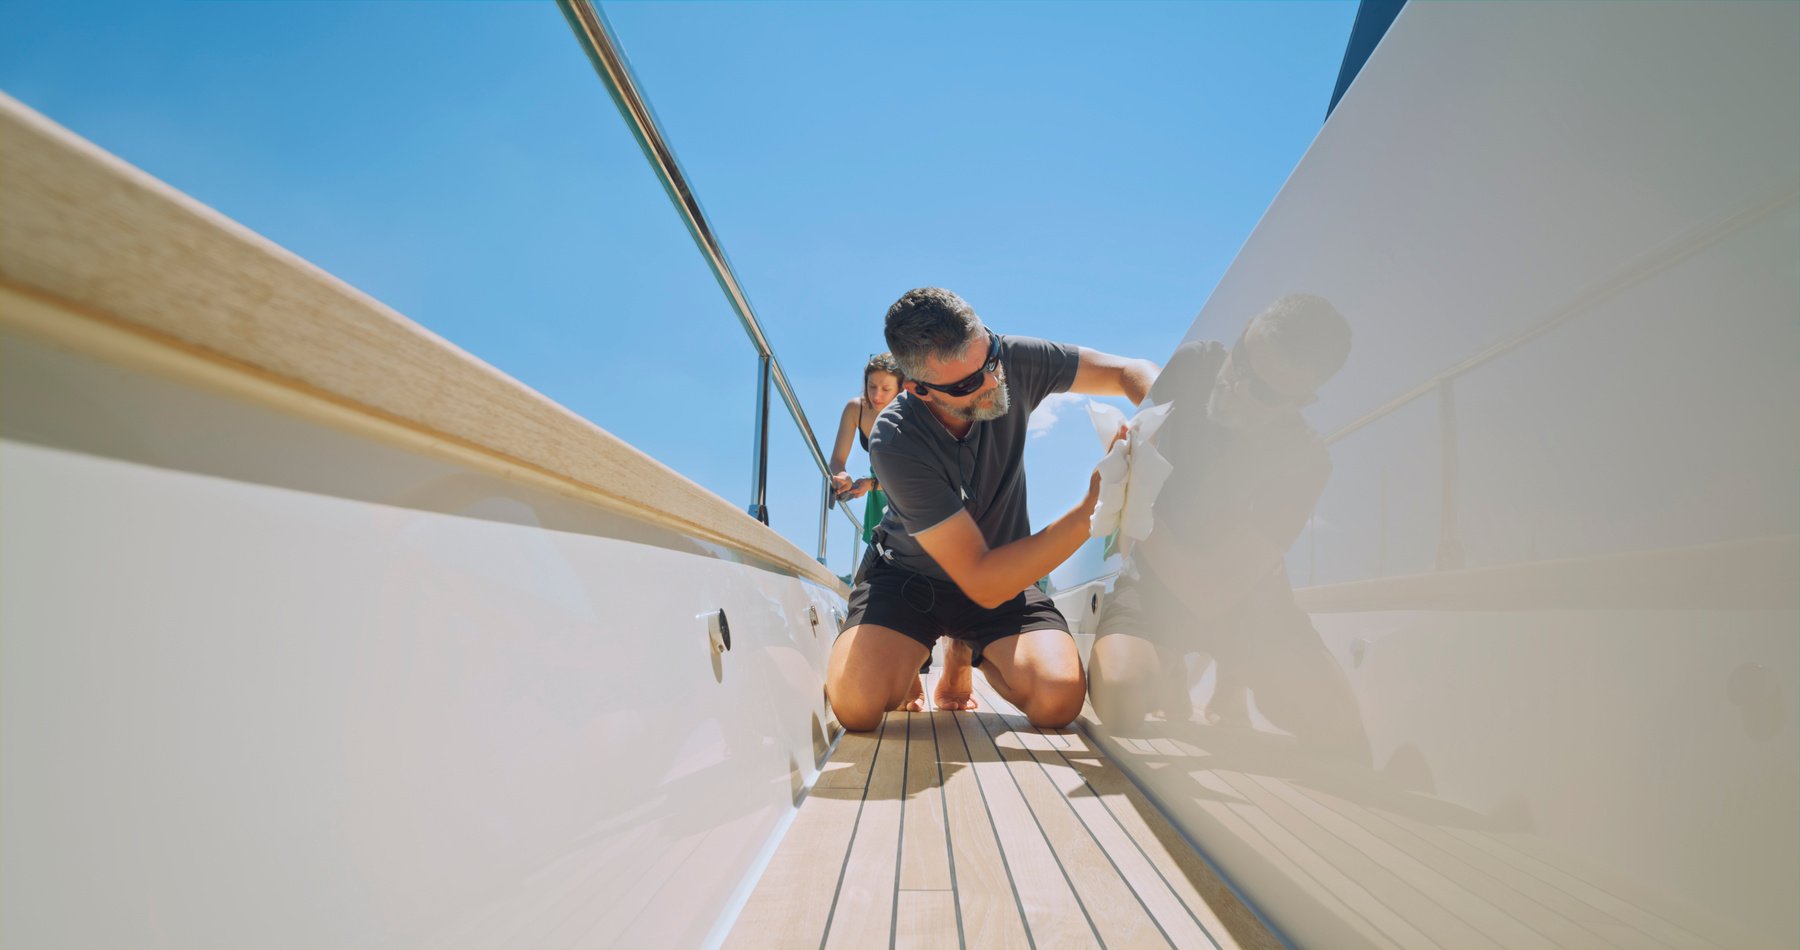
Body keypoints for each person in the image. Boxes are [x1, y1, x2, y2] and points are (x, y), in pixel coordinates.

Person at [825, 287, 1157, 731]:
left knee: (1057, 700)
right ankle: (920, 649)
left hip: (1005, 575)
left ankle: (963, 652)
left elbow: (1129, 371)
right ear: (918, 390)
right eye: (967, 385)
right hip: (908, 581)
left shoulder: (1009, 361)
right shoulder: (894, 439)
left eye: (992, 359)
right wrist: (1090, 512)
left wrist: (1159, 422)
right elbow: (980, 579)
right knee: (857, 707)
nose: (992, 383)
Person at [1088, 293, 1372, 764]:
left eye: (1260, 389)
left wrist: (1135, 510)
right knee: (1120, 698)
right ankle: (1172, 667)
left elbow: (1214, 594)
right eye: (1240, 356)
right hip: (1153, 588)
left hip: (1248, 604)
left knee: (1341, 733)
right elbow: (1139, 449)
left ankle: (1226, 677)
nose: (1233, 382)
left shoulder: (1305, 461)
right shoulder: (1194, 364)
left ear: (1301, 400)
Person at [827, 353, 904, 546]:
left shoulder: (911, 412)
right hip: (876, 490)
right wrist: (841, 476)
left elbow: (917, 474)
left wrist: (872, 485)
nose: (876, 396)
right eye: (872, 386)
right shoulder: (856, 408)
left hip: (908, 493)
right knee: (877, 553)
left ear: (900, 388)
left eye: (886, 389)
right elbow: (836, 461)